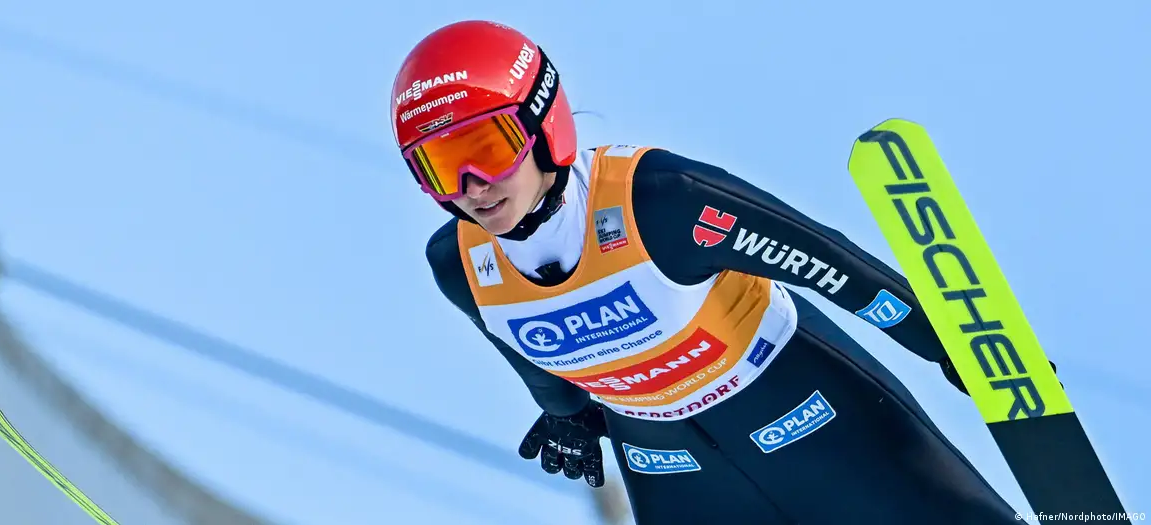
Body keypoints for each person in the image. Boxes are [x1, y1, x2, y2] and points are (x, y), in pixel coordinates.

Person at [391, 19, 1025, 524]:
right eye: (440, 167)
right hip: (671, 465)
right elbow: (529, 357)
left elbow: (832, 267)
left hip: (807, 411)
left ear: (541, 122)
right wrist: (566, 414)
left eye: (487, 149)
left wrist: (953, 344)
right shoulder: (458, 266)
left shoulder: (659, 201)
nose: (472, 186)